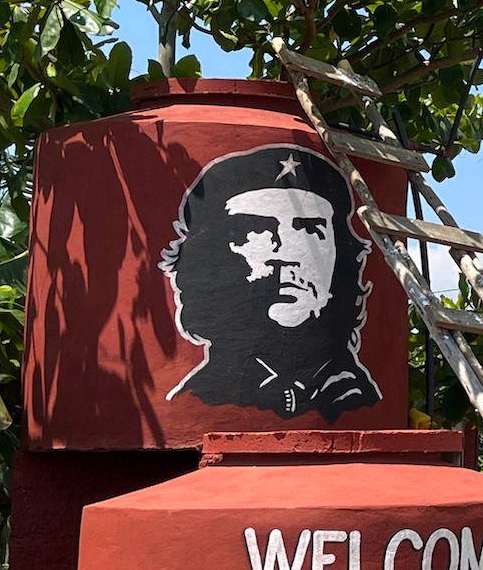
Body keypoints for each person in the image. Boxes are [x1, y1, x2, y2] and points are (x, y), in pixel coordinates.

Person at [161, 143, 382, 418]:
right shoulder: (194, 402)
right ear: (204, 259)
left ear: (343, 255)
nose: (288, 254)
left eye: (311, 229)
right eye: (256, 229)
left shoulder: (360, 397)